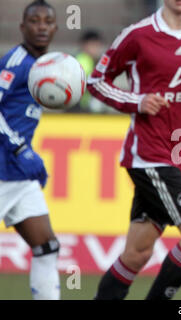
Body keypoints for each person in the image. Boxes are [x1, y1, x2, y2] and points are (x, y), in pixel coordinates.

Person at [87, 0, 181, 300]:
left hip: (178, 154)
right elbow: (96, 82)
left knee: (136, 254)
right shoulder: (138, 34)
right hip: (148, 155)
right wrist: (137, 101)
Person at [0, 0, 60, 299]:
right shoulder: (14, 63)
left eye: (47, 21)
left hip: (20, 176)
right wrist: (20, 147)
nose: (41, 27)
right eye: (34, 21)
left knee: (47, 246)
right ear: (22, 27)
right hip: (2, 169)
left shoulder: (45, 67)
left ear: (55, 28)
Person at [74, 30, 105, 113]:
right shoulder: (82, 60)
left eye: (97, 46)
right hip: (79, 107)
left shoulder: (96, 62)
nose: (95, 49)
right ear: (84, 46)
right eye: (92, 45)